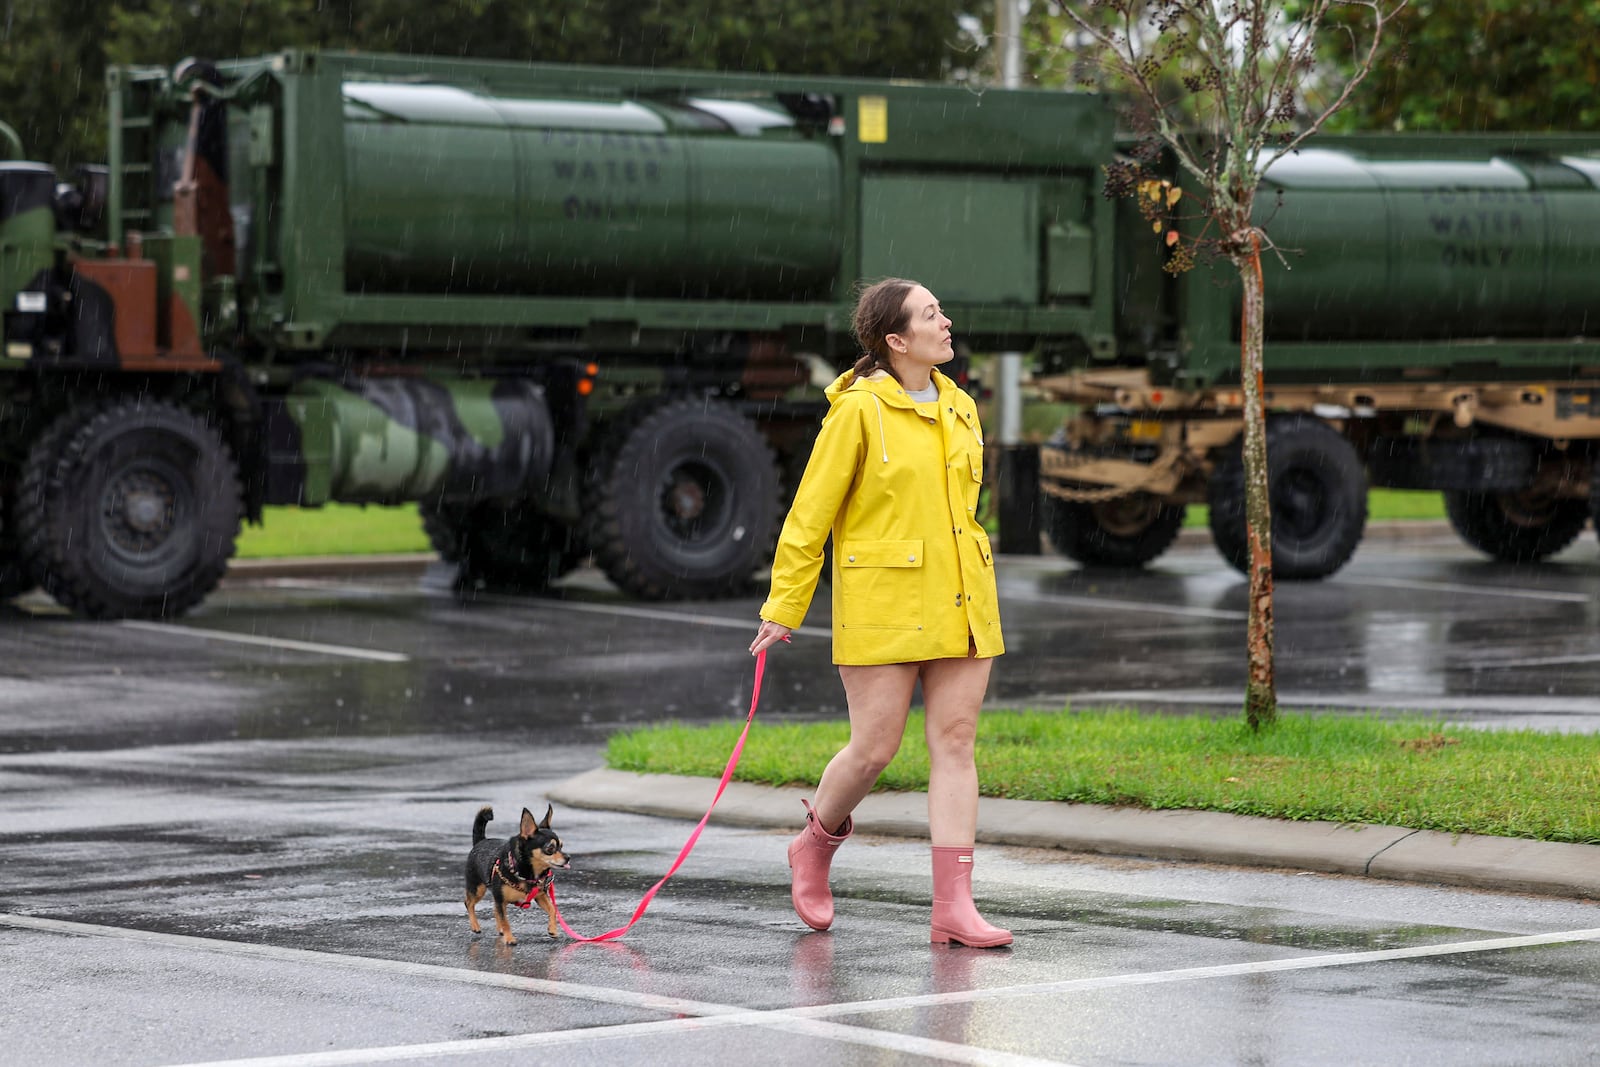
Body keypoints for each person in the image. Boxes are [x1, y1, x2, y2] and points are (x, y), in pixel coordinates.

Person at [748, 277, 1010, 948]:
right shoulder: (857, 411)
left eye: (941, 309)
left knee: (955, 745)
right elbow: (811, 514)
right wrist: (785, 606)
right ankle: (813, 844)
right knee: (874, 749)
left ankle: (954, 906)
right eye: (931, 314)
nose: (946, 322)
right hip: (885, 603)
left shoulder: (961, 407)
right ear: (897, 340)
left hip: (962, 602)